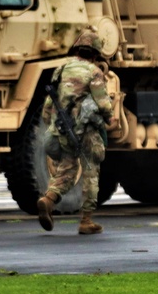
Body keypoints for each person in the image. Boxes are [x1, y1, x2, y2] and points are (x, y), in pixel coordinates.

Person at [36, 29, 114, 235]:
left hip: (63, 128)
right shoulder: (94, 72)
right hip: (87, 131)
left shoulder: (61, 70)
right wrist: (110, 118)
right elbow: (103, 102)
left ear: (78, 49)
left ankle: (48, 199)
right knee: (90, 172)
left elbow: (48, 104)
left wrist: (51, 123)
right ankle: (86, 221)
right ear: (96, 53)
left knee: (67, 169)